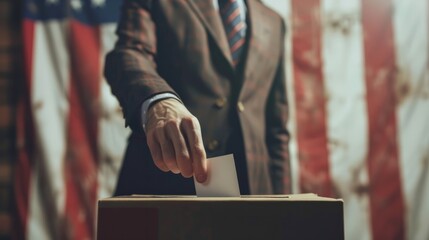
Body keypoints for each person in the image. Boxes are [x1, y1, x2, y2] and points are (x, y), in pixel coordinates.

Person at [105, 0, 290, 195]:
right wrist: (159, 99)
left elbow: (276, 131)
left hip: (255, 193)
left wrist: (286, 212)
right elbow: (130, 53)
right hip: (166, 187)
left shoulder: (274, 22)